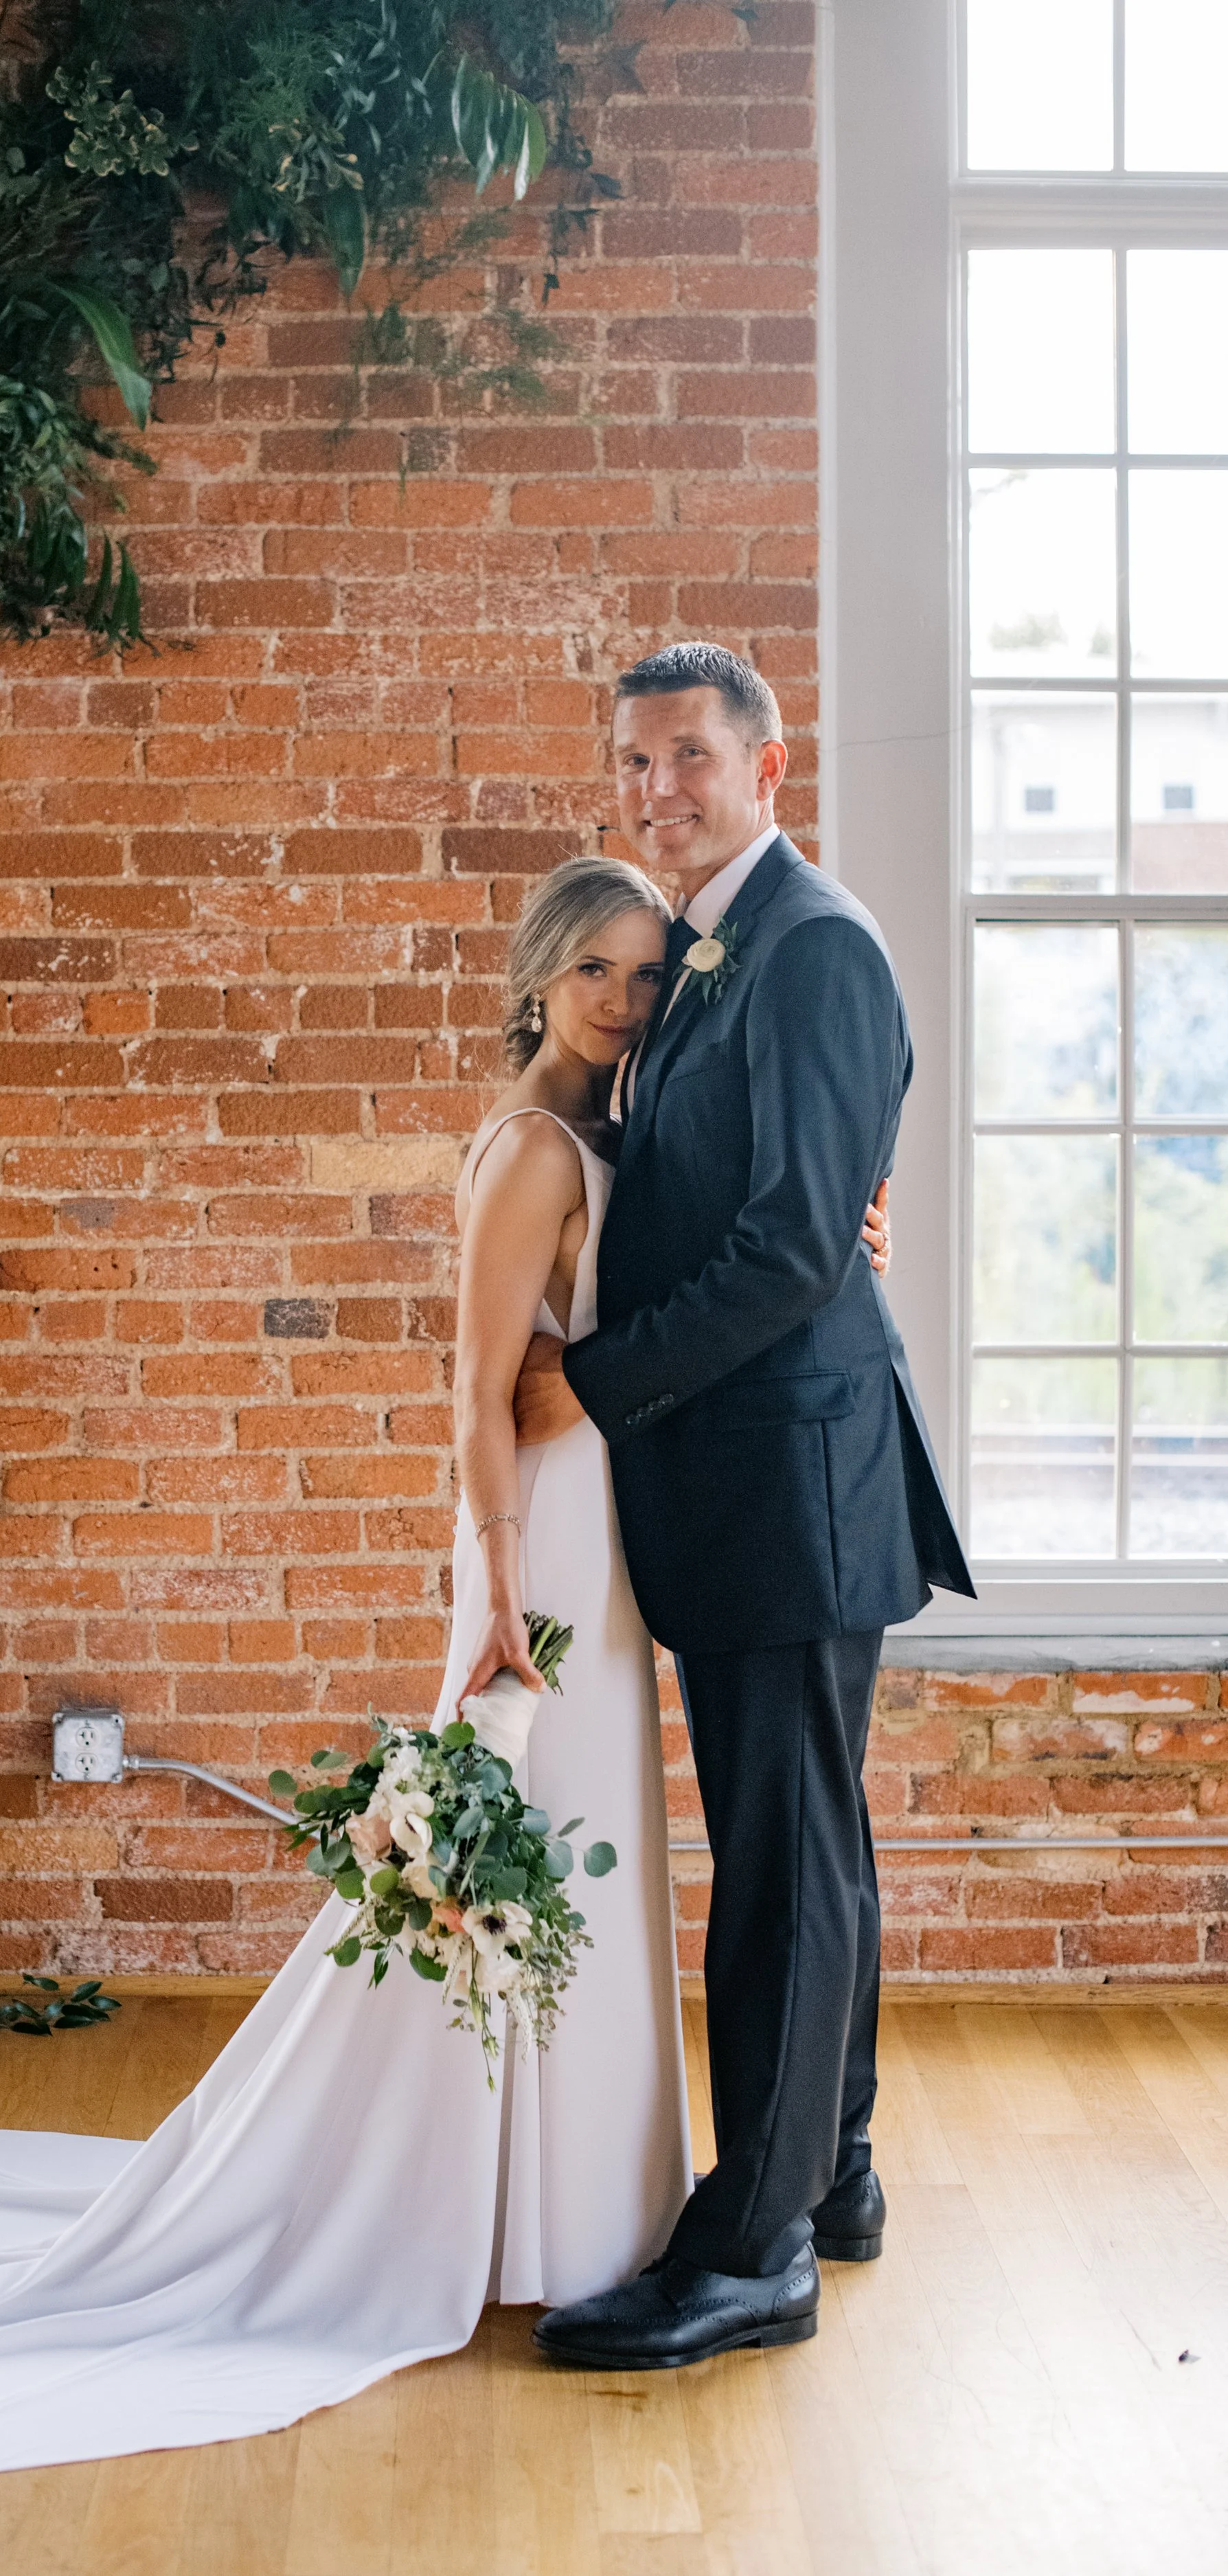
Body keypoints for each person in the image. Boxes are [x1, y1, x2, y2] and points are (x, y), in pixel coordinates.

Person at [0, 838, 899, 2492]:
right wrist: (492, 1594)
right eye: (592, 969)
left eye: (643, 974)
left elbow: (758, 1225)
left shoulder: (622, 1123)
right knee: (531, 1862)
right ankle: (473, 2199)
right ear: (533, 976)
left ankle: (582, 2201)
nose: (620, 998)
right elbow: (470, 1397)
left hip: (612, 1530)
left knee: (587, 1880)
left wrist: (840, 1246)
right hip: (542, 1540)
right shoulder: (531, 1144)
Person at [519, 641, 973, 2375]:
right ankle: (834, 2172)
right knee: (810, 1843)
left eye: (689, 759)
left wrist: (595, 1376)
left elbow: (790, 1247)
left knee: (781, 1867)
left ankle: (755, 2245)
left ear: (766, 768)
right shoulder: (710, 951)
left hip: (789, 1472)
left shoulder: (811, 944)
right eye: (633, 763)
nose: (655, 789)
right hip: (760, 1469)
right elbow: (780, 1186)